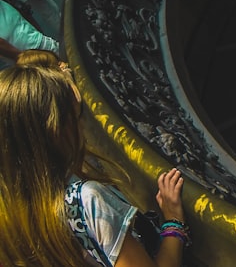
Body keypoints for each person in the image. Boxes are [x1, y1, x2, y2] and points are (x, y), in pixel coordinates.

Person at [0, 50, 188, 266]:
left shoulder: (8, 214)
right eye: (76, 118)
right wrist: (173, 223)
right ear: (57, 131)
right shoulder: (87, 202)